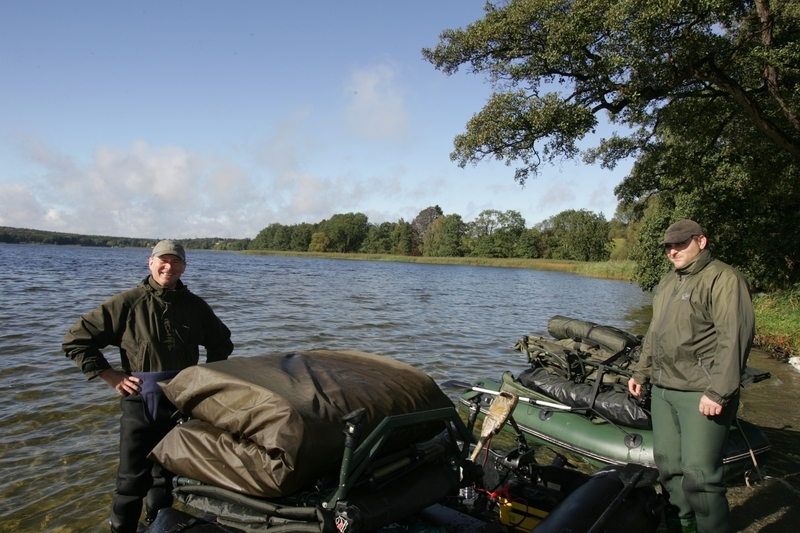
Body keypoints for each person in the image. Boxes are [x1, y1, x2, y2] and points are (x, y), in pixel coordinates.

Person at [62, 240, 234, 533]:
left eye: (176, 262)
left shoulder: (195, 306)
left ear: (184, 267)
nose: (169, 267)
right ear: (150, 263)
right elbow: (76, 340)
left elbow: (222, 342)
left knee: (166, 476)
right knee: (131, 481)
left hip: (180, 403)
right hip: (140, 402)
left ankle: (158, 525)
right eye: (163, 261)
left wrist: (205, 377)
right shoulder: (127, 303)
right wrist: (111, 376)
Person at [627, 220, 754, 533]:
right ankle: (681, 528)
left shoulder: (724, 278)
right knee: (669, 470)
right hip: (663, 389)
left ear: (701, 241)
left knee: (700, 477)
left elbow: (734, 338)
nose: (673, 251)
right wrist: (641, 371)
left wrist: (719, 391)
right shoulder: (668, 281)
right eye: (669, 247)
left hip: (701, 392)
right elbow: (655, 332)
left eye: (680, 244)